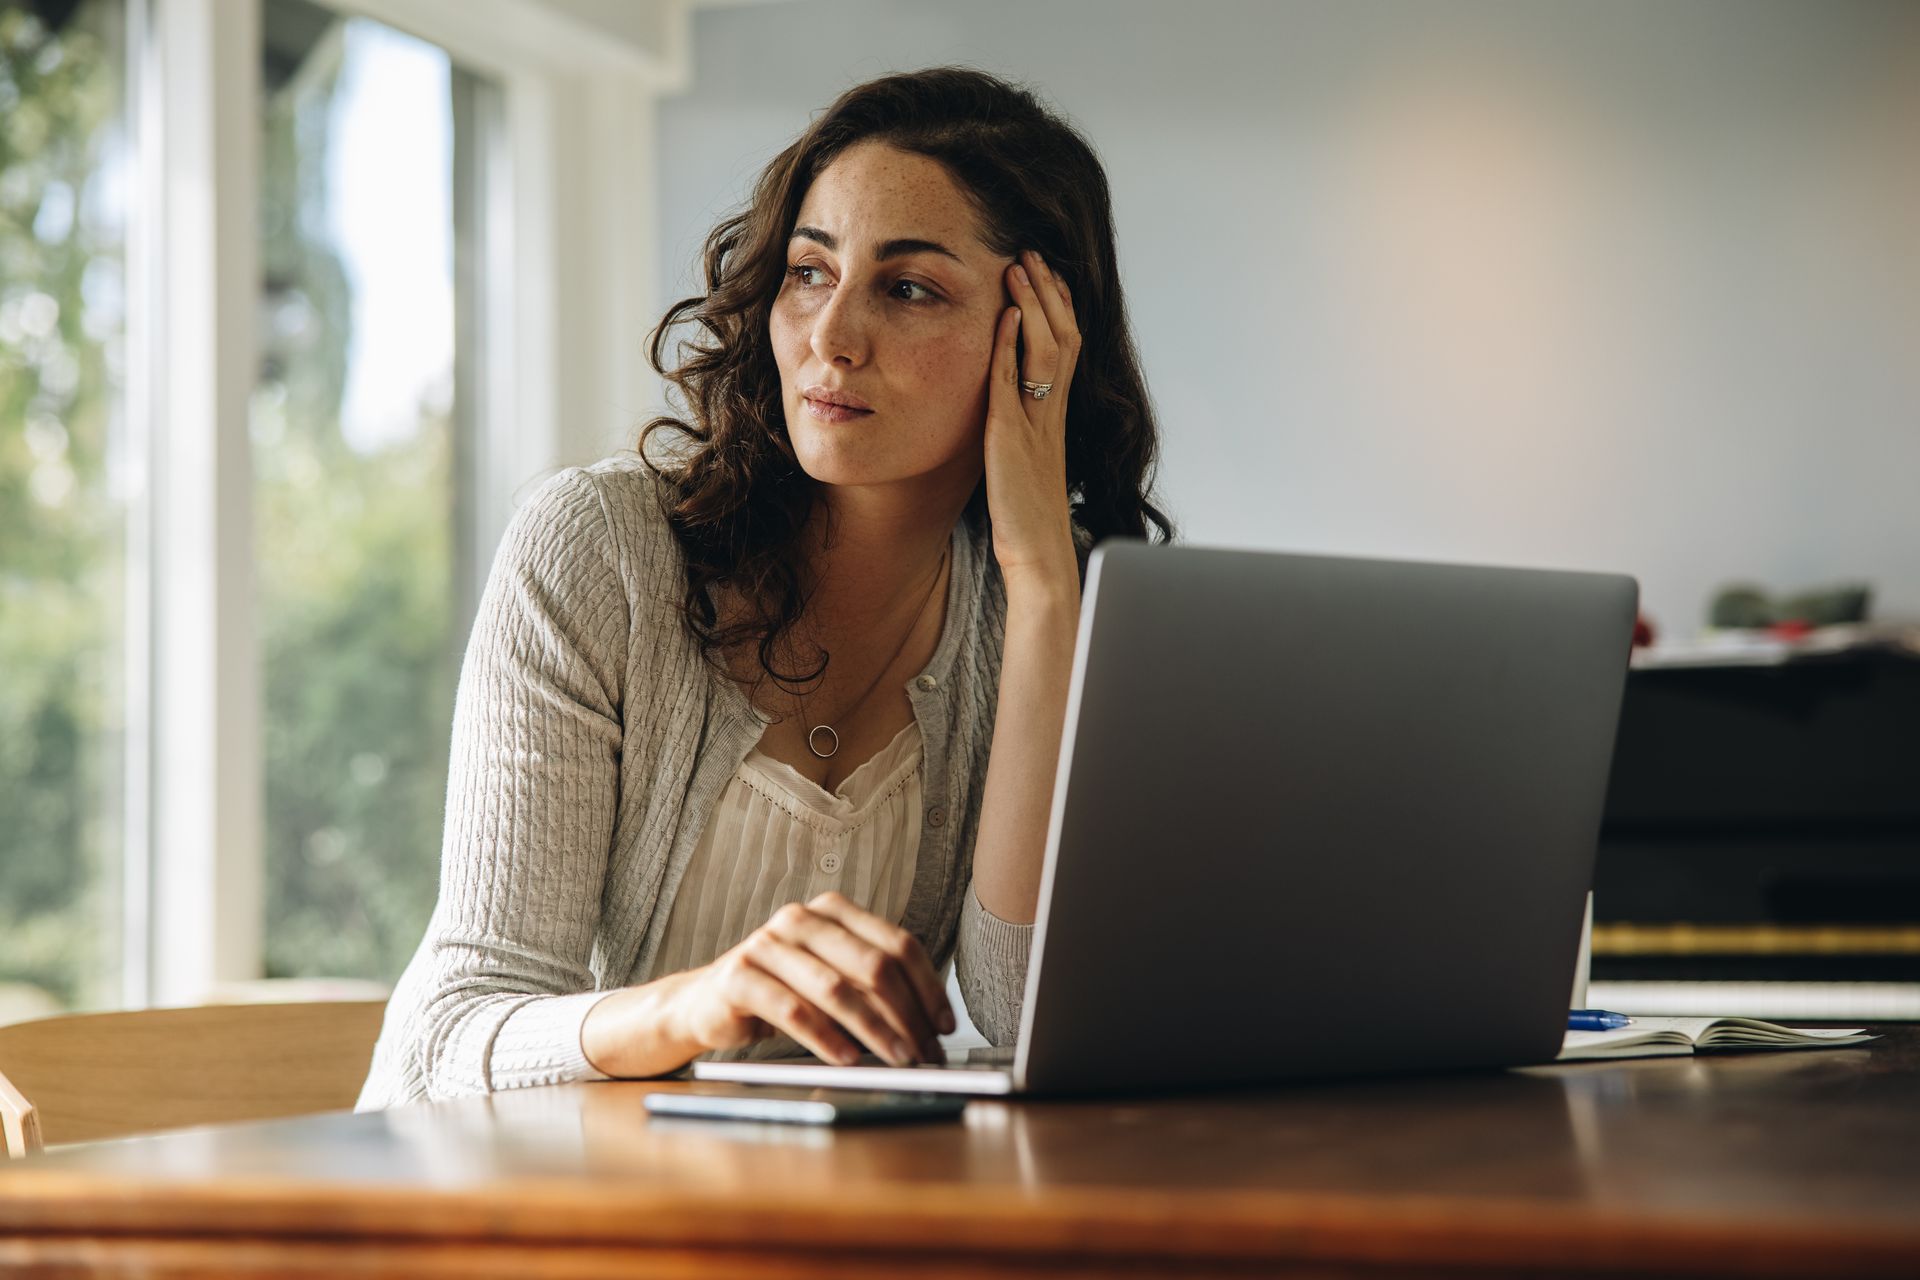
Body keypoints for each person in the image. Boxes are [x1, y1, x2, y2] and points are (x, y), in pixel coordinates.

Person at [357, 66, 1172, 1107]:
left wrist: (1046, 586)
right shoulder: (599, 552)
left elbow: (1022, 1016)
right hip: (493, 1209)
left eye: (908, 287)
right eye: (807, 271)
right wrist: (698, 1004)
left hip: (776, 1219)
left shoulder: (1031, 610)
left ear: (1037, 333)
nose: (832, 337)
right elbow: (448, 1033)